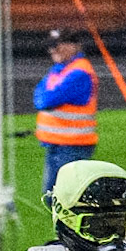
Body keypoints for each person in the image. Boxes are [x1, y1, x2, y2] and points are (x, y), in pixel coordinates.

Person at [35, 29, 99, 194]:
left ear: (73, 46)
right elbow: (39, 96)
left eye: (57, 45)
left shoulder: (79, 72)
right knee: (53, 194)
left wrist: (45, 97)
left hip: (73, 145)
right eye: (51, 46)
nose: (52, 50)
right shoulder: (60, 70)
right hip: (58, 143)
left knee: (66, 194)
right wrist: (45, 97)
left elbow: (46, 99)